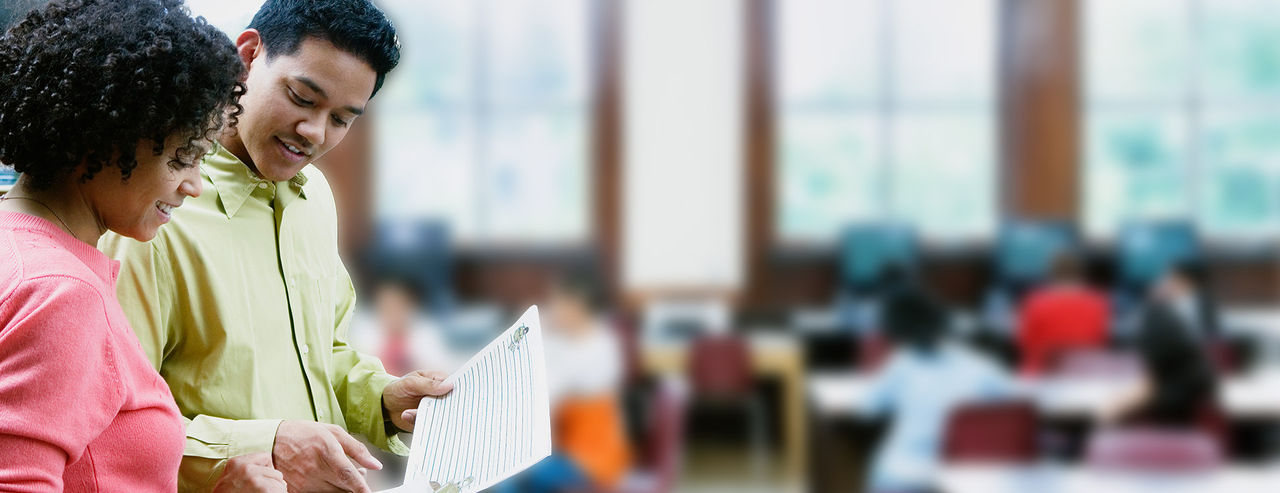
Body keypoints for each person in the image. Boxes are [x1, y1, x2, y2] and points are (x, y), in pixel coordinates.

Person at [97, 1, 452, 491]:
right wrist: (263, 446)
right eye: (303, 98)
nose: (315, 133)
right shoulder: (150, 215)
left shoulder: (315, 198)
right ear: (247, 56)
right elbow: (115, 423)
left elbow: (321, 351)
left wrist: (384, 399)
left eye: (342, 119)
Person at [0, 0, 282, 491]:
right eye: (182, 158)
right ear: (107, 135)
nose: (195, 184)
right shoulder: (61, 295)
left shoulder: (21, 250)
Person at [862, 287, 1013, 493]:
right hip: (966, 475)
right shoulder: (979, 365)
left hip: (904, 477)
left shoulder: (901, 364)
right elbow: (1014, 403)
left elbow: (869, 408)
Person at [494, 271, 632, 493]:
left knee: (513, 482)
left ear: (577, 307)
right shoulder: (563, 341)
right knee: (505, 474)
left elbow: (552, 392)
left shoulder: (599, 347)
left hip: (589, 456)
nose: (553, 310)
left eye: (559, 303)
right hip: (558, 447)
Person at [1101, 302, 1219, 429]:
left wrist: (1115, 407)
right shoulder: (1197, 369)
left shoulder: (1164, 389)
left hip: (1159, 436)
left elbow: (1147, 393)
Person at [1015, 251, 1110, 376]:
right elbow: (1101, 341)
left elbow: (1023, 343)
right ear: (1080, 274)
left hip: (1041, 376)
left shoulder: (1034, 302)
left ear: (1052, 273)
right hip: (1084, 375)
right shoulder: (1099, 303)